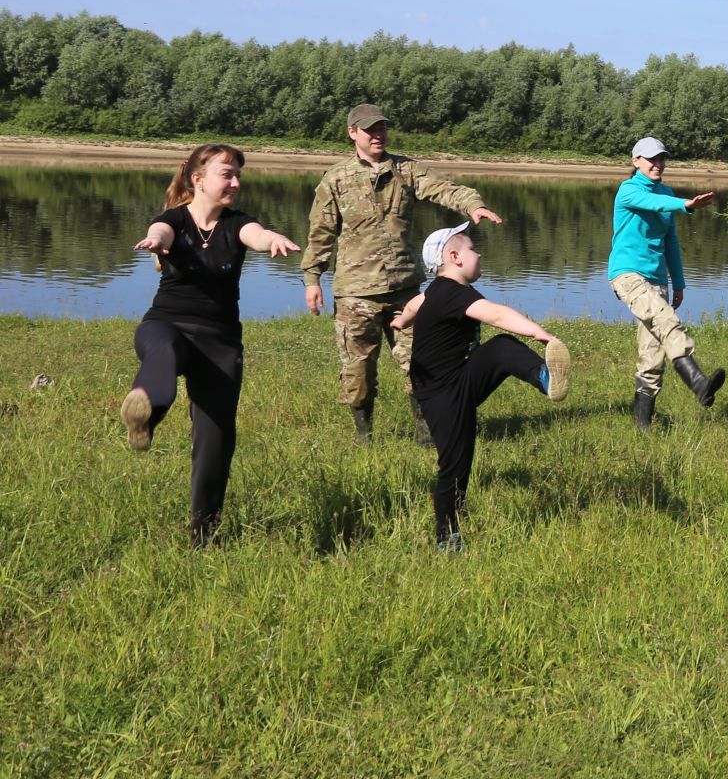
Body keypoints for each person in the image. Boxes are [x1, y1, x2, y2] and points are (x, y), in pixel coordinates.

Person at [119, 144, 301, 546]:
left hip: (219, 343)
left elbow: (257, 235)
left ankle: (204, 535)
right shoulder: (173, 220)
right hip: (165, 325)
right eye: (227, 174)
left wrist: (272, 239)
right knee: (164, 352)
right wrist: (153, 240)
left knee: (216, 439)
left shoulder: (237, 223)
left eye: (238, 175)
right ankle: (144, 414)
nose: (235, 182)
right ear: (198, 180)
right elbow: (160, 230)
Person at [303, 103, 502, 446]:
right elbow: (320, 233)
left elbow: (445, 188)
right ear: (353, 133)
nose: (378, 134)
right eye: (370, 129)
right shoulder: (335, 179)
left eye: (382, 128)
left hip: (406, 290)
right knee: (358, 373)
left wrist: (473, 205)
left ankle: (428, 437)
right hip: (356, 293)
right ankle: (365, 440)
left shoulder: (405, 170)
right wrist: (312, 279)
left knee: (420, 365)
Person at [392, 224, 570, 552]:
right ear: (454, 257)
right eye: (473, 249)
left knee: (499, 353)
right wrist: (539, 334)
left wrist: (401, 320)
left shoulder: (436, 292)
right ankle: (447, 538)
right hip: (444, 392)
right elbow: (497, 315)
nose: (479, 254)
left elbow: (416, 303)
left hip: (453, 382)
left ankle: (546, 377)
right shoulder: (452, 293)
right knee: (455, 467)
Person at [610, 136, 725, 430]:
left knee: (652, 356)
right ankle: (697, 381)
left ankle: (642, 428)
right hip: (628, 275)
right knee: (666, 320)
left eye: (661, 159)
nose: (657, 164)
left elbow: (670, 241)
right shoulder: (628, 190)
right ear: (636, 162)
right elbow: (652, 201)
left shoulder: (667, 192)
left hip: (658, 278)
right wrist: (685, 204)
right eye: (651, 159)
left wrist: (679, 283)